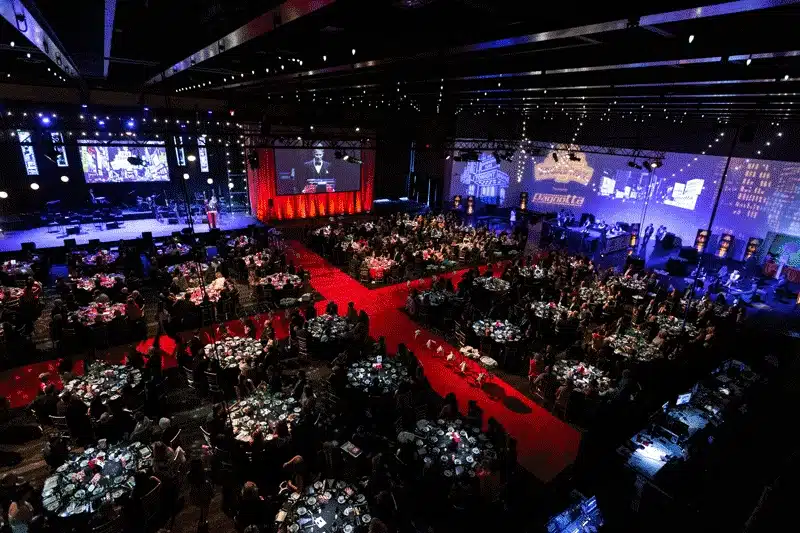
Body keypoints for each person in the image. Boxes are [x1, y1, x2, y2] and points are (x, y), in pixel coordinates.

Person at [187, 459, 213, 531]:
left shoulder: (189, 474)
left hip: (195, 493)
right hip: (204, 492)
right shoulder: (205, 473)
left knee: (200, 505)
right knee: (205, 506)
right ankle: (204, 521)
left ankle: (201, 520)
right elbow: (208, 483)